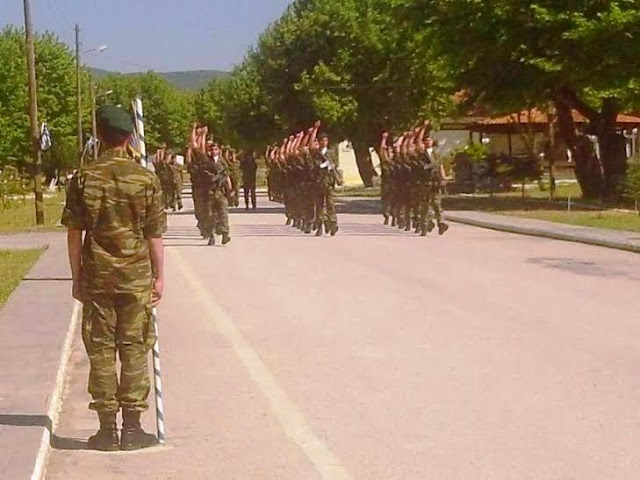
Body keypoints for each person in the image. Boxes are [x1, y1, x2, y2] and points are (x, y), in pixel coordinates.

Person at [61, 105, 165, 451]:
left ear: (100, 137)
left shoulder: (85, 177)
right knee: (135, 347)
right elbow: (154, 235)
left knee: (101, 351)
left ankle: (107, 430)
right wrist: (159, 277)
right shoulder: (146, 178)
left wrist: (76, 276)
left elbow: (74, 233)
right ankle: (133, 429)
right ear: (129, 137)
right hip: (135, 276)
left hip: (97, 277)